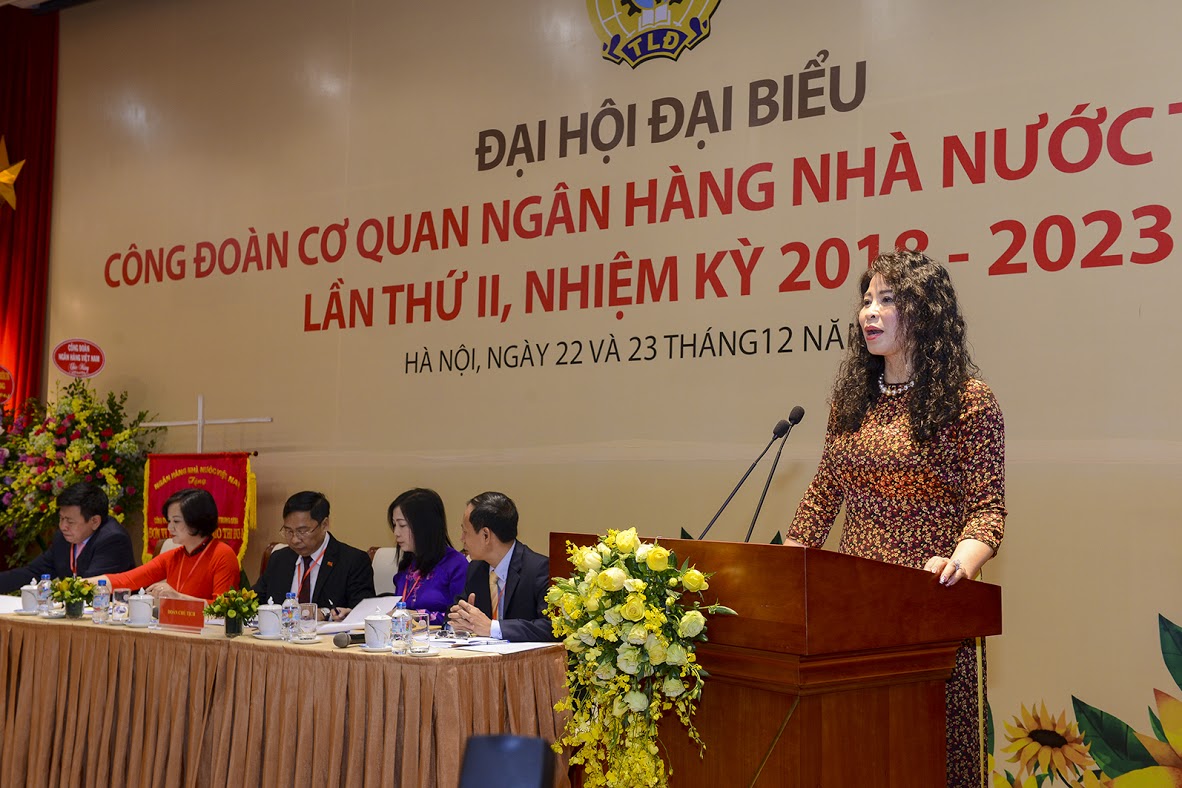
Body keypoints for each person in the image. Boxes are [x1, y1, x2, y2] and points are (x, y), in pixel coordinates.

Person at [785, 249, 1006, 788]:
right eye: (866, 300)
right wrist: (784, 570)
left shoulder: (968, 402)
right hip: (854, 611)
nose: (869, 312)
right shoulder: (851, 401)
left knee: (922, 758)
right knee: (857, 756)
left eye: (887, 300)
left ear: (924, 312)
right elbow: (824, 493)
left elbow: (987, 509)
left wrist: (960, 564)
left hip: (928, 608)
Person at [95, 487, 240, 603]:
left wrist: (178, 597)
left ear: (197, 521)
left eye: (176, 521)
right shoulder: (174, 556)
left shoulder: (222, 554)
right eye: (169, 521)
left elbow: (223, 609)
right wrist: (83, 584)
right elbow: (127, 580)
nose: (170, 528)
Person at [448, 491, 554, 642]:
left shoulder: (539, 569)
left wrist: (492, 628)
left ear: (486, 535)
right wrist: (461, 619)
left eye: (465, 531)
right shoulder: (476, 569)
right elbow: (455, 612)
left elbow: (551, 627)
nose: (462, 538)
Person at [253, 491, 375, 621]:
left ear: (324, 525)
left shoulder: (353, 561)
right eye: (288, 531)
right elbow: (254, 602)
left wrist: (326, 614)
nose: (294, 540)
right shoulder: (279, 559)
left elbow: (363, 614)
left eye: (302, 531)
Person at [0, 482, 136, 593]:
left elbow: (89, 587)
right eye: (61, 518)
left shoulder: (113, 540)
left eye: (70, 521)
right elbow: (33, 572)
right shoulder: (62, 537)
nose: (63, 526)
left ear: (94, 521)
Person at [387, 488, 467, 625]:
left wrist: (417, 616)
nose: (396, 532)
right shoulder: (408, 565)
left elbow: (460, 616)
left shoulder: (456, 564)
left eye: (402, 525)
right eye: (394, 525)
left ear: (424, 526)